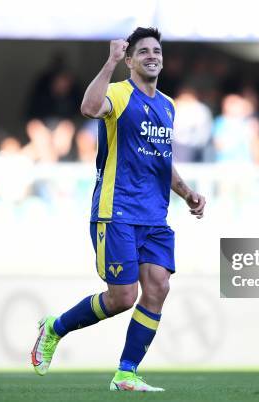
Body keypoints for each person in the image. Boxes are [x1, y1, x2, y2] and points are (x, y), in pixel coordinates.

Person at [30, 27, 206, 392]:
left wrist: (187, 194)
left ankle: (126, 372)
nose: (152, 56)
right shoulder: (118, 94)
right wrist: (108, 62)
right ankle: (55, 328)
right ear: (129, 60)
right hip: (118, 212)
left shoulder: (168, 106)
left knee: (158, 287)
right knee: (122, 298)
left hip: (155, 216)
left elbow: (162, 161)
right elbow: (89, 108)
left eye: (156, 50)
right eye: (143, 52)